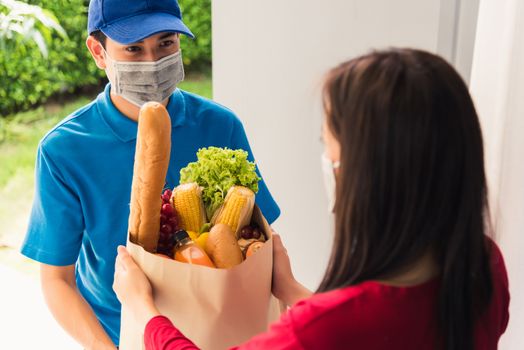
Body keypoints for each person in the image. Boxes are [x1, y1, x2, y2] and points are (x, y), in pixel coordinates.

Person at [113, 48, 510, 349]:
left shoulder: (318, 330)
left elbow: (341, 329)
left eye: (330, 147)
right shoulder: (484, 266)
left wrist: (145, 311)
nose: (328, 162)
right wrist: (291, 290)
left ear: (365, 175)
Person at [20, 0, 280, 348]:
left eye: (165, 43)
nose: (153, 61)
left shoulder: (220, 126)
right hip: (124, 335)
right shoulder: (64, 150)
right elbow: (57, 280)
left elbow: (262, 241)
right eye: (133, 48)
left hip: (224, 334)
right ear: (99, 52)